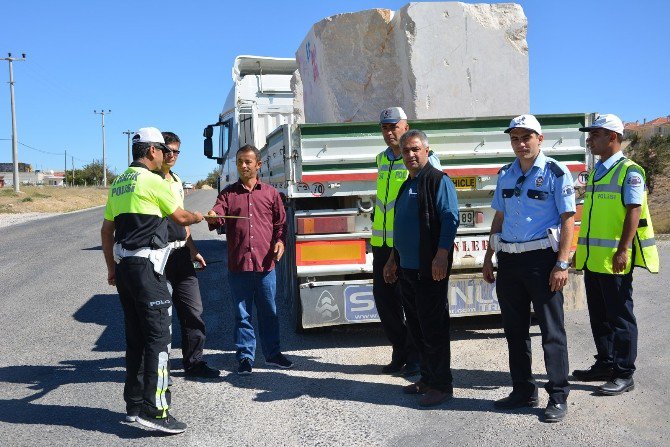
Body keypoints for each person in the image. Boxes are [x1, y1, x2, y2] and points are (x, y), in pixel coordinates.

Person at [101, 127, 203, 434]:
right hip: (147, 269)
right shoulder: (152, 180)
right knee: (159, 339)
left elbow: (107, 231)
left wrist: (111, 268)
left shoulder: (119, 182)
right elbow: (181, 218)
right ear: (151, 151)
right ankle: (156, 410)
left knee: (136, 339)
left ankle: (134, 405)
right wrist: (199, 216)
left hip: (125, 270)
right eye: (162, 150)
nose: (166, 156)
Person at [482, 114, 574, 423]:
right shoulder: (506, 173)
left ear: (540, 139)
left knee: (551, 332)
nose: (520, 144)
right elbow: (499, 217)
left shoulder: (555, 172)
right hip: (510, 261)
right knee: (515, 331)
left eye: (526, 137)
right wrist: (488, 256)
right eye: (515, 139)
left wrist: (562, 263)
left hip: (542, 263)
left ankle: (558, 395)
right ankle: (523, 390)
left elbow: (567, 219)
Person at [573, 114, 659, 395]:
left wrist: (624, 250)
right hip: (593, 259)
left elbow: (633, 212)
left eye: (595, 135)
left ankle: (624, 373)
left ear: (612, 137)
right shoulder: (597, 170)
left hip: (615, 259)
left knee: (620, 317)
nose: (589, 140)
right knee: (599, 315)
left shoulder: (630, 171)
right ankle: (605, 363)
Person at [384, 129, 459, 407]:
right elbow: (401, 226)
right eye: (406, 151)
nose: (411, 155)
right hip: (407, 269)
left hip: (430, 270)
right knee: (417, 329)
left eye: (416, 149)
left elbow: (450, 219)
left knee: (434, 329)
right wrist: (393, 259)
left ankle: (442, 386)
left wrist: (442, 255)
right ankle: (427, 379)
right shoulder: (406, 184)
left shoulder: (437, 180)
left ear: (427, 151)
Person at [205, 144, 293, 375]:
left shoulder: (271, 194)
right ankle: (245, 357)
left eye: (248, 162)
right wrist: (213, 217)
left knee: (269, 312)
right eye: (240, 162)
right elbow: (218, 215)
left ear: (259, 164)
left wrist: (280, 242)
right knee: (242, 315)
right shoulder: (228, 194)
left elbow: (280, 225)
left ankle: (273, 354)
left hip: (265, 266)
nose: (244, 166)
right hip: (239, 266)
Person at [372, 107, 441, 376]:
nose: (390, 132)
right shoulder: (381, 159)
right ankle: (400, 351)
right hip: (382, 245)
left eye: (394, 127)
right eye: (385, 128)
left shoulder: (425, 160)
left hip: (409, 246)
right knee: (385, 301)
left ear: (406, 126)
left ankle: (415, 358)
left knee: (411, 303)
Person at [160, 131, 219, 379]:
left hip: (181, 253)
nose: (172, 156)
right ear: (156, 151)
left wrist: (193, 249)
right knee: (160, 317)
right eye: (168, 151)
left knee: (193, 310)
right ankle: (158, 368)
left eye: (176, 151)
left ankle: (194, 363)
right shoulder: (148, 180)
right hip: (157, 255)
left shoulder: (175, 180)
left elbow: (182, 222)